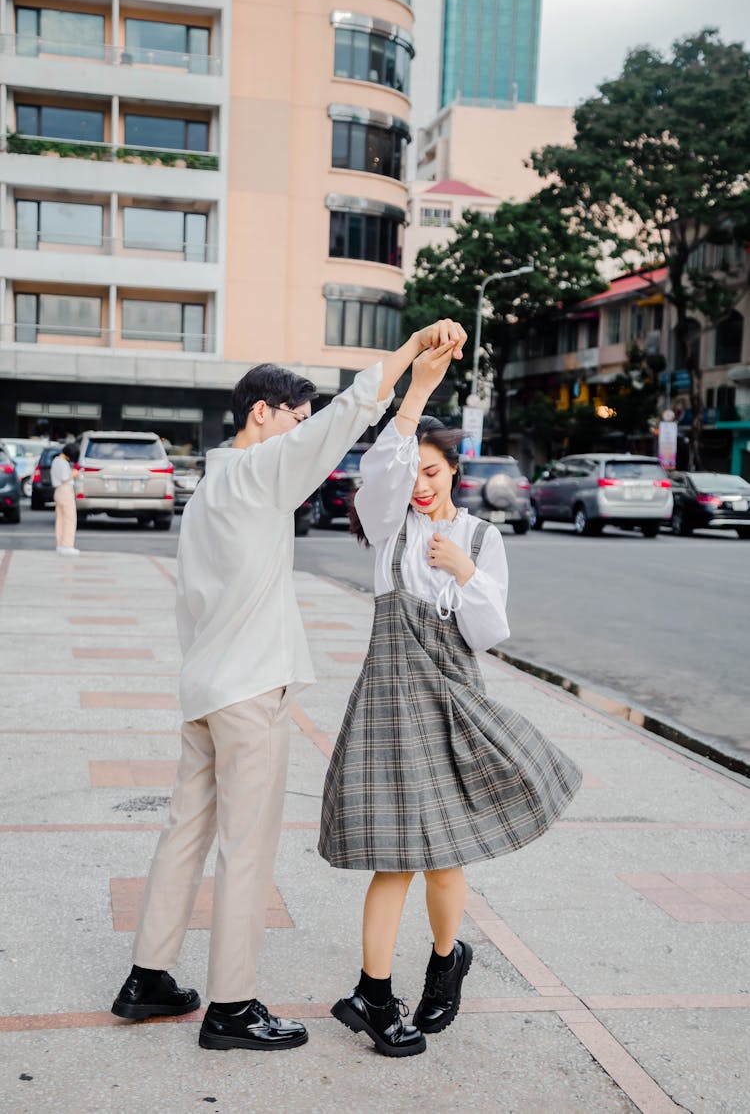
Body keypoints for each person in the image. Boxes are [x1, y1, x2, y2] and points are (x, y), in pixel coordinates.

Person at [110, 318, 468, 1052]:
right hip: (248, 693)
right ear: (261, 413)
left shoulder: (211, 486)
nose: (301, 432)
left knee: (185, 832)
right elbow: (344, 418)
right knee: (246, 849)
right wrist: (409, 357)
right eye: (293, 419)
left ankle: (148, 977)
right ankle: (232, 1007)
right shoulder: (257, 469)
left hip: (205, 687)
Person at [318, 362, 583, 1058]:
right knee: (391, 858)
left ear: (453, 473)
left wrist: (464, 575)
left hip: (452, 703)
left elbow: (491, 633)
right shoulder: (385, 528)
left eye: (434, 471)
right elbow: (380, 468)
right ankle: (374, 991)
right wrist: (417, 393)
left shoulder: (479, 539)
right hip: (386, 707)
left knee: (443, 858)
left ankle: (445, 961)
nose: (421, 483)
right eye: (415, 471)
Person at [51, 443, 81, 557]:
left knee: (60, 518)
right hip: (65, 490)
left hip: (58, 491)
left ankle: (60, 545)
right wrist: (74, 474)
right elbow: (65, 478)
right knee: (70, 518)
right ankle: (67, 545)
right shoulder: (63, 463)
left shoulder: (55, 460)